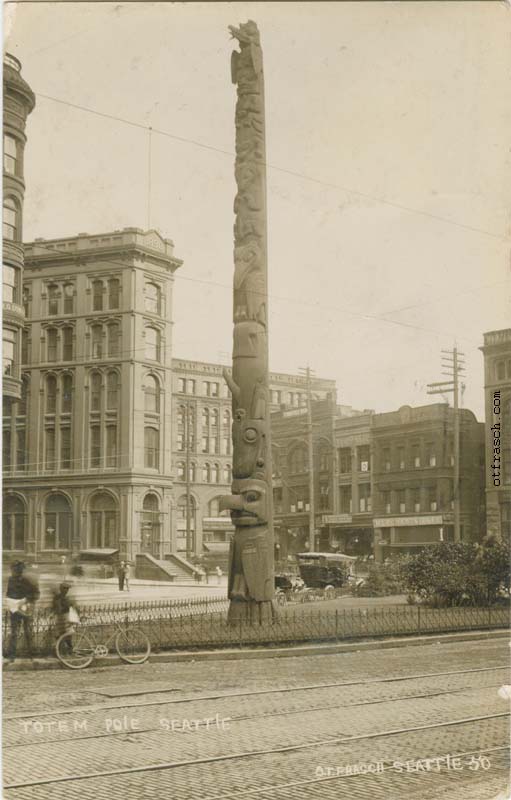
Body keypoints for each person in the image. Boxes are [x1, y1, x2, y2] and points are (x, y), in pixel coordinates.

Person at [4, 561, 40, 663]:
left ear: (19, 570)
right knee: (14, 633)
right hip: (15, 610)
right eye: (12, 570)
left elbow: (36, 594)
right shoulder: (11, 580)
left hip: (26, 609)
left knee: (28, 632)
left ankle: (31, 655)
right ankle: (12, 656)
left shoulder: (28, 580)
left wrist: (26, 601)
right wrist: (9, 601)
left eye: (13, 570)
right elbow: (8, 593)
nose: (12, 572)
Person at [51, 581, 80, 653]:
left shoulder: (67, 598)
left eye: (67, 589)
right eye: (64, 588)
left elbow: (73, 606)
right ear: (61, 589)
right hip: (60, 618)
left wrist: (76, 611)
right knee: (59, 634)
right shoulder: (57, 598)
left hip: (66, 617)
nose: (66, 590)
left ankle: (69, 648)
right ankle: (60, 649)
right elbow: (55, 608)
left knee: (68, 634)